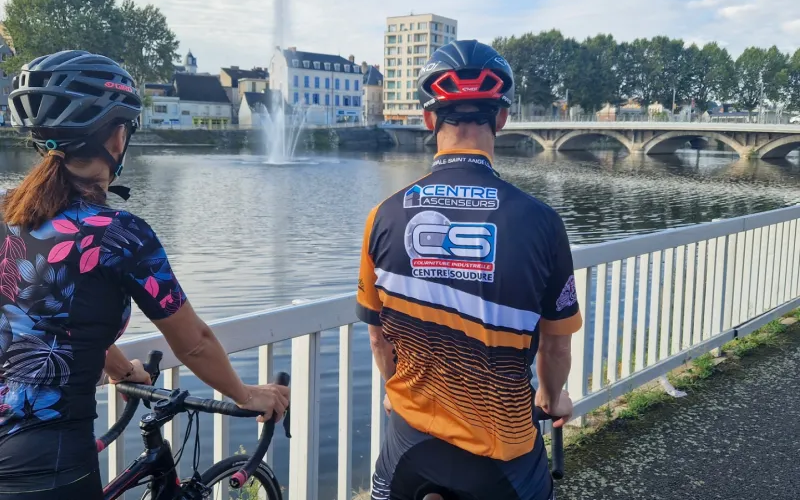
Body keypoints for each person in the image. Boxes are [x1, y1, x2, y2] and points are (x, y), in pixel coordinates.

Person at [0, 51, 290, 499]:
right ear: (116, 137)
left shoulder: (8, 213)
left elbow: (48, 316)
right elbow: (193, 340)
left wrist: (119, 368)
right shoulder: (119, 235)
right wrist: (246, 394)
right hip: (47, 462)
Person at [356, 40, 582, 500]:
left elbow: (378, 336)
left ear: (427, 119)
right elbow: (556, 345)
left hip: (409, 443)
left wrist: (392, 388)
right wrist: (552, 398)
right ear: (501, 118)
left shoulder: (383, 215)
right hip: (504, 455)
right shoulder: (542, 222)